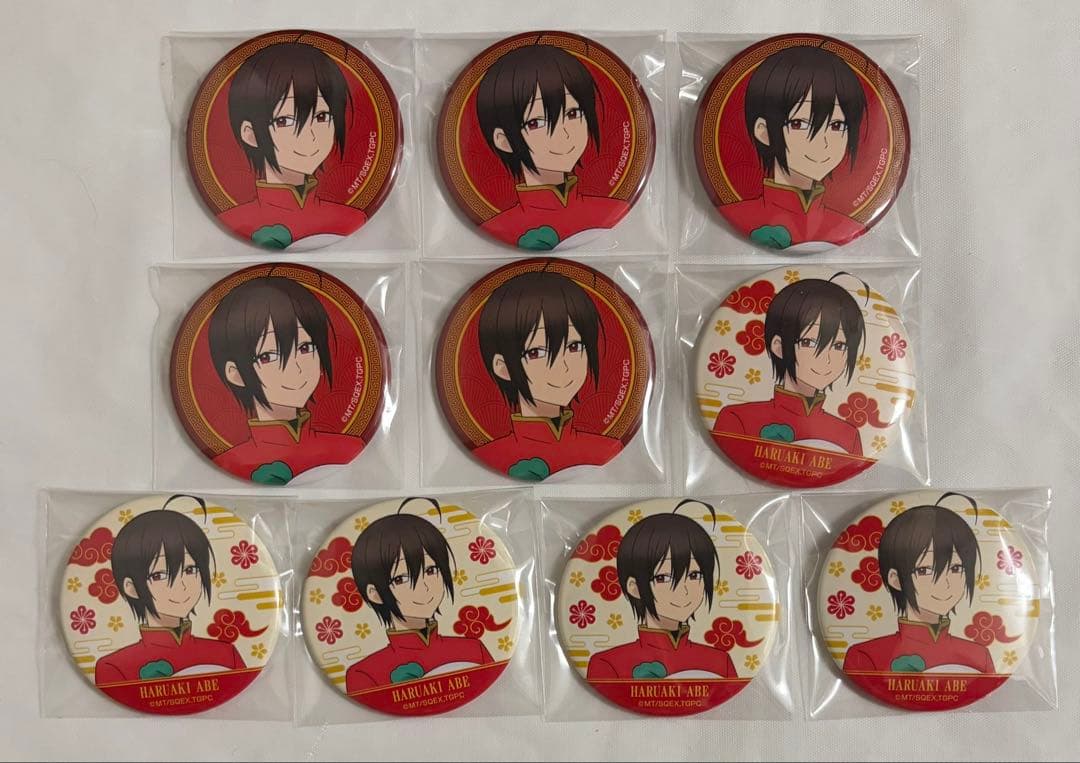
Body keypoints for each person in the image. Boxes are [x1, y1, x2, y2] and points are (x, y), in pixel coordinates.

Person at [208, 275, 360, 484]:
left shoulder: (349, 448)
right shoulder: (227, 461)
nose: (296, 369)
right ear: (236, 374)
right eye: (268, 356)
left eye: (305, 348)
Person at [476, 43, 628, 250]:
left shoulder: (611, 208)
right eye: (535, 123)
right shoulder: (500, 223)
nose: (563, 134)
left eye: (573, 114)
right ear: (504, 140)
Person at [473, 270, 621, 480]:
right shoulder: (490, 453)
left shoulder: (606, 447)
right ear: (502, 367)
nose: (563, 367)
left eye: (574, 347)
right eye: (536, 352)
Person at [219, 41, 367, 250]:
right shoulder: (236, 218)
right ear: (250, 134)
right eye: (284, 121)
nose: (310, 136)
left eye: (322, 117)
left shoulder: (350, 217)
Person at [723, 45, 868, 250]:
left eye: (836, 126)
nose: (823, 142)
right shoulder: (739, 214)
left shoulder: (848, 225)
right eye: (799, 124)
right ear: (763, 131)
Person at [345, 500, 493, 691]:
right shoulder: (364, 674)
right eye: (400, 579)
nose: (423, 587)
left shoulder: (474, 651)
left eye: (431, 570)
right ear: (375, 594)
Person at [94, 498, 245, 684]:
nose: (181, 585)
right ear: (132, 588)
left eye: (190, 570)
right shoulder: (114, 667)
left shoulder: (227, 655)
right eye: (159, 575)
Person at [712, 276, 865, 455]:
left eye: (839, 346)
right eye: (809, 342)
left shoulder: (849, 436)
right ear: (779, 347)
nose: (827, 359)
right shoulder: (737, 420)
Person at [843, 494, 995, 674]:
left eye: (956, 568)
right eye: (924, 570)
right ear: (895, 579)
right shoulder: (865, 657)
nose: (945, 583)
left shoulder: (980, 657)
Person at [587, 501, 737, 680]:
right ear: (635, 588)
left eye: (694, 575)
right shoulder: (608, 664)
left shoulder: (720, 662)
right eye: (663, 578)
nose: (684, 590)